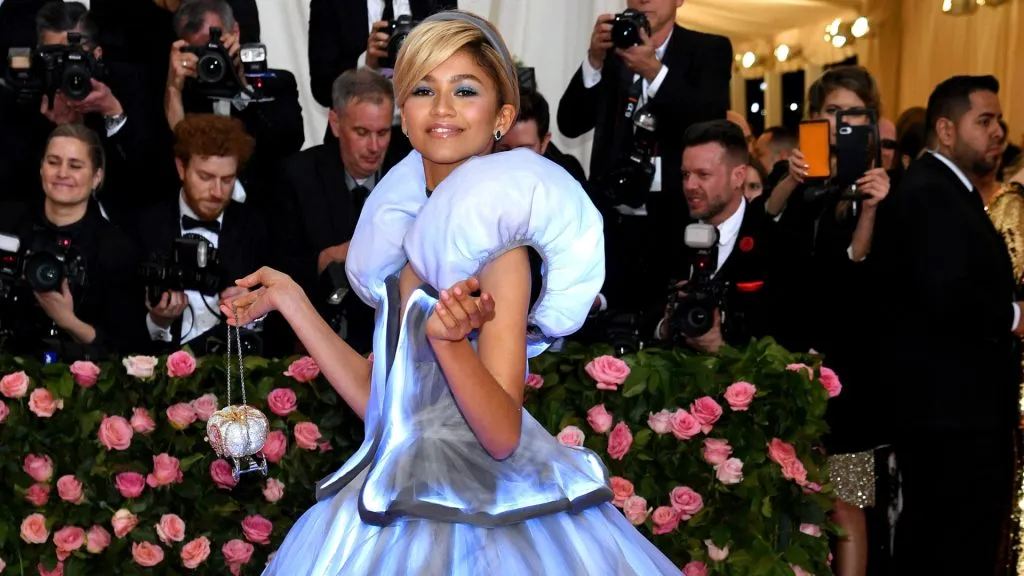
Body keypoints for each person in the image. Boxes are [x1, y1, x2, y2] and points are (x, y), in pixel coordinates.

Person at [223, 11, 677, 575]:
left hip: (486, 523)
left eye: (465, 90)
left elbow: (503, 433)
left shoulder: (501, 254)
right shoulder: (403, 238)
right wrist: (292, 299)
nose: (442, 108)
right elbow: (385, 406)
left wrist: (450, 343)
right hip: (394, 498)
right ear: (403, 117)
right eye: (422, 89)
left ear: (501, 116)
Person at [886, 75, 1020, 573]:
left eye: (999, 120)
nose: (998, 131)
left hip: (957, 413)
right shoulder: (930, 194)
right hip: (950, 416)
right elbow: (942, 295)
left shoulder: (949, 190)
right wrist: (1014, 316)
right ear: (945, 130)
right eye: (983, 120)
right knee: (949, 544)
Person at [0, 124, 144, 361]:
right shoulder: (8, 221)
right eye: (53, 162)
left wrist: (68, 321)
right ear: (41, 168)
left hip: (79, 386)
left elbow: (129, 350)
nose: (62, 173)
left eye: (75, 166)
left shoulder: (116, 248)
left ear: (97, 177)